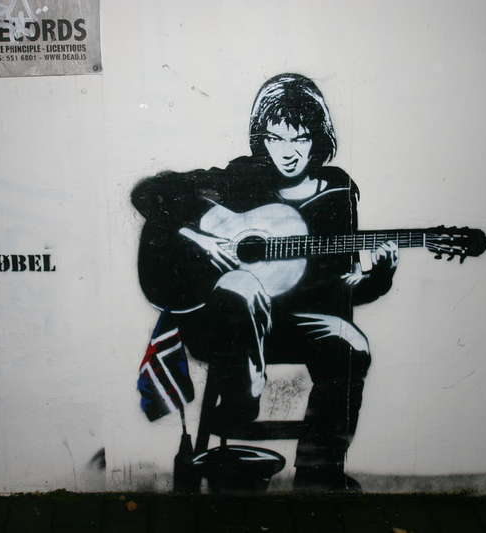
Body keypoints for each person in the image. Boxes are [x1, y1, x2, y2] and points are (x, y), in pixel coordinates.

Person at [131, 73, 398, 490]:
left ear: (318, 138)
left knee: (351, 345)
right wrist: (201, 239)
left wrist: (378, 277)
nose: (287, 152)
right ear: (262, 139)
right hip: (228, 328)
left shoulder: (338, 193)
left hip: (293, 324)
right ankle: (243, 397)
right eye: (275, 138)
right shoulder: (244, 177)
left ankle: (318, 473)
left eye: (300, 138)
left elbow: (340, 291)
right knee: (242, 285)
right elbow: (150, 192)